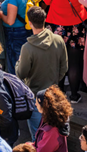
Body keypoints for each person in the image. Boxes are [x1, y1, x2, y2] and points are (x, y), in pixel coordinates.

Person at [16, 7, 68, 136]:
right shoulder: (58, 40)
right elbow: (64, 68)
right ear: (44, 20)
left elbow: (21, 73)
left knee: (38, 137)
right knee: (54, 136)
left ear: (30, 23)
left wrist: (18, 62)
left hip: (35, 98)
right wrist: (54, 81)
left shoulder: (27, 48)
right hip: (54, 95)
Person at [33, 86, 71, 152]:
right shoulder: (50, 118)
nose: (35, 104)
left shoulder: (52, 131)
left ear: (45, 107)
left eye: (37, 102)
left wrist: (27, 147)